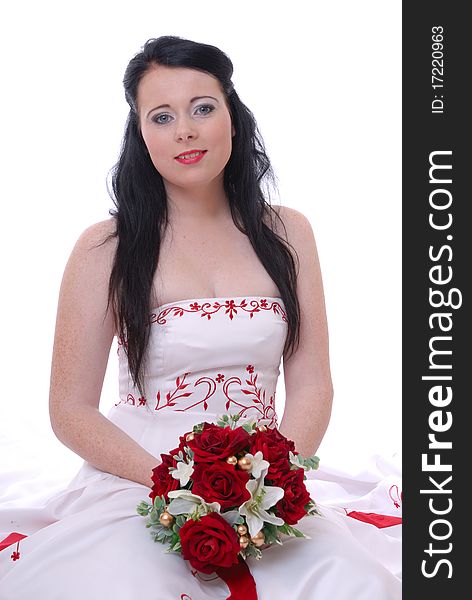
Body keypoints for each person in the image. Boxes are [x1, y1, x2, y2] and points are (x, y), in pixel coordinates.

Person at [0, 35, 401, 598]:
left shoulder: (287, 233)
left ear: (233, 119)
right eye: (161, 116)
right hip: (141, 476)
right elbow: (69, 410)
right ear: (141, 135)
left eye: (203, 108)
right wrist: (173, 485)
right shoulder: (105, 247)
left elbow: (312, 383)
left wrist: (270, 480)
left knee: (347, 582)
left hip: (262, 483)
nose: (184, 130)